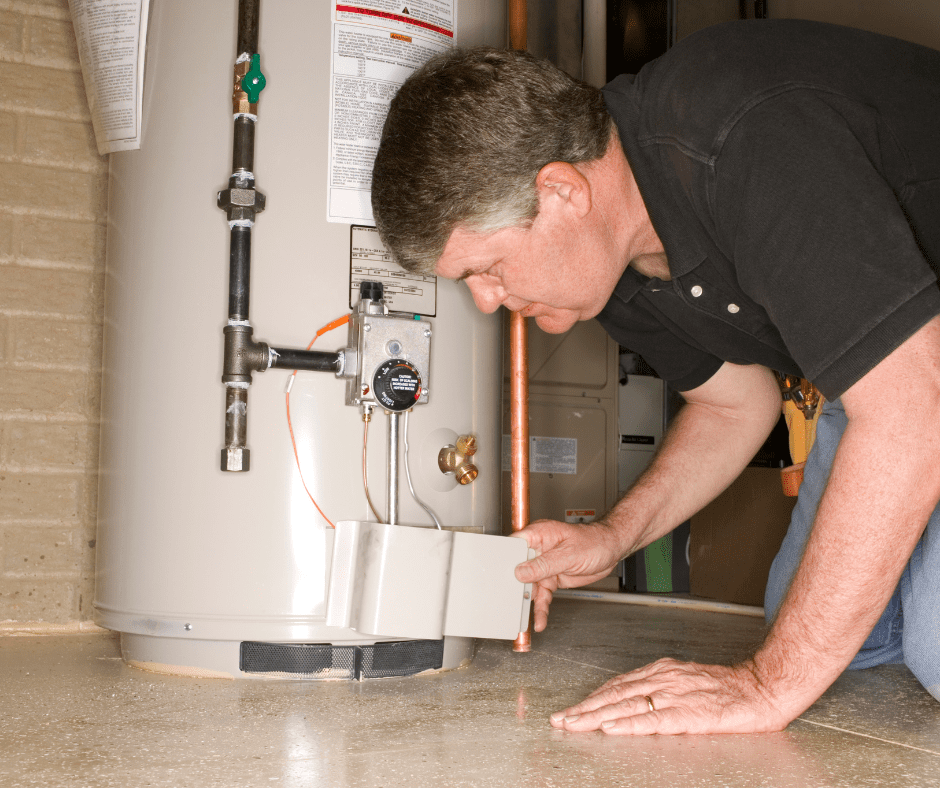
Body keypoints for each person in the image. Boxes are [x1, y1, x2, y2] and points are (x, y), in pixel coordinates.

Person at [371, 19, 940, 735]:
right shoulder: (615, 266)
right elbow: (736, 405)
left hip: (915, 384)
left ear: (561, 192)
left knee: (922, 646)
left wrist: (766, 687)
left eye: (485, 269)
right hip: (897, 376)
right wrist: (614, 536)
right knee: (826, 627)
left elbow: (913, 414)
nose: (486, 300)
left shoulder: (746, 135)